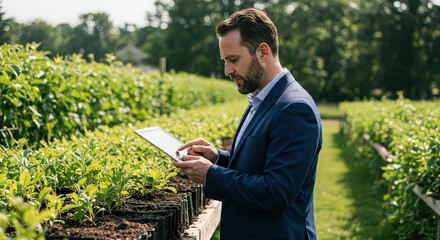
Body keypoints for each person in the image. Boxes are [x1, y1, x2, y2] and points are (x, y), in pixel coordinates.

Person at [174, 7, 322, 240]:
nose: (227, 70)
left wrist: (212, 175)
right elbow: (257, 166)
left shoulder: (294, 108)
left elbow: (277, 192)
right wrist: (218, 158)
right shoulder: (260, 98)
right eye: (225, 61)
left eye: (233, 60)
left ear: (263, 52)